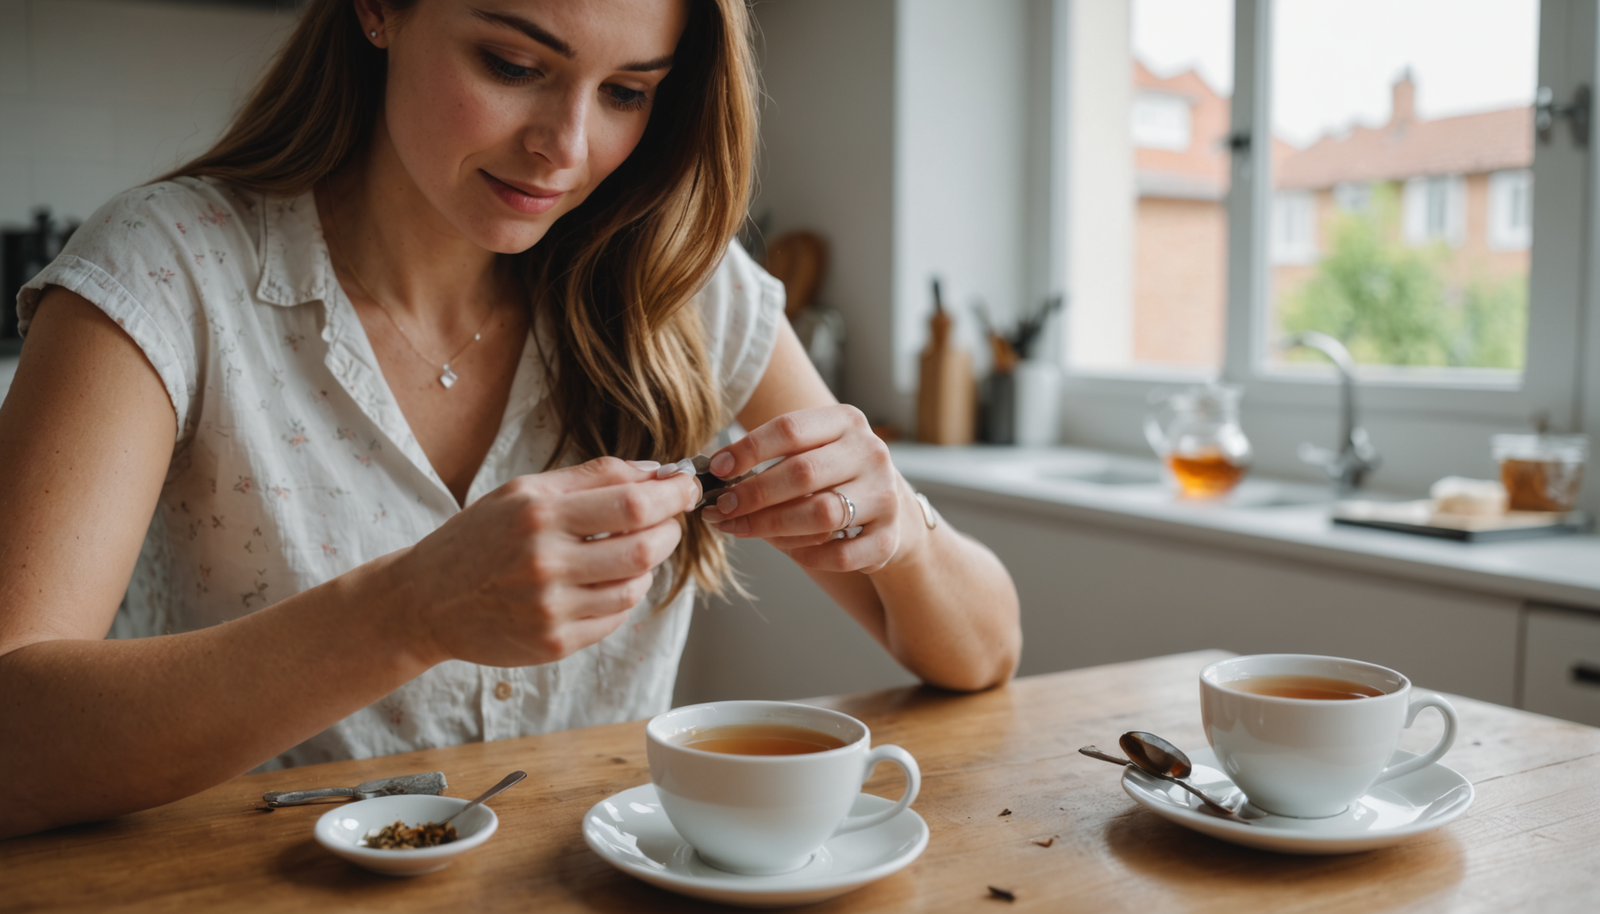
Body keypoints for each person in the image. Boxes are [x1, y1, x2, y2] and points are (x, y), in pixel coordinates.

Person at [0, 0, 1020, 840]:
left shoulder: (685, 290)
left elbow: (982, 652)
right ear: (380, 10)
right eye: (512, 62)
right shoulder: (165, 268)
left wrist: (895, 521)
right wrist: (408, 609)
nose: (565, 149)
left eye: (627, 93)